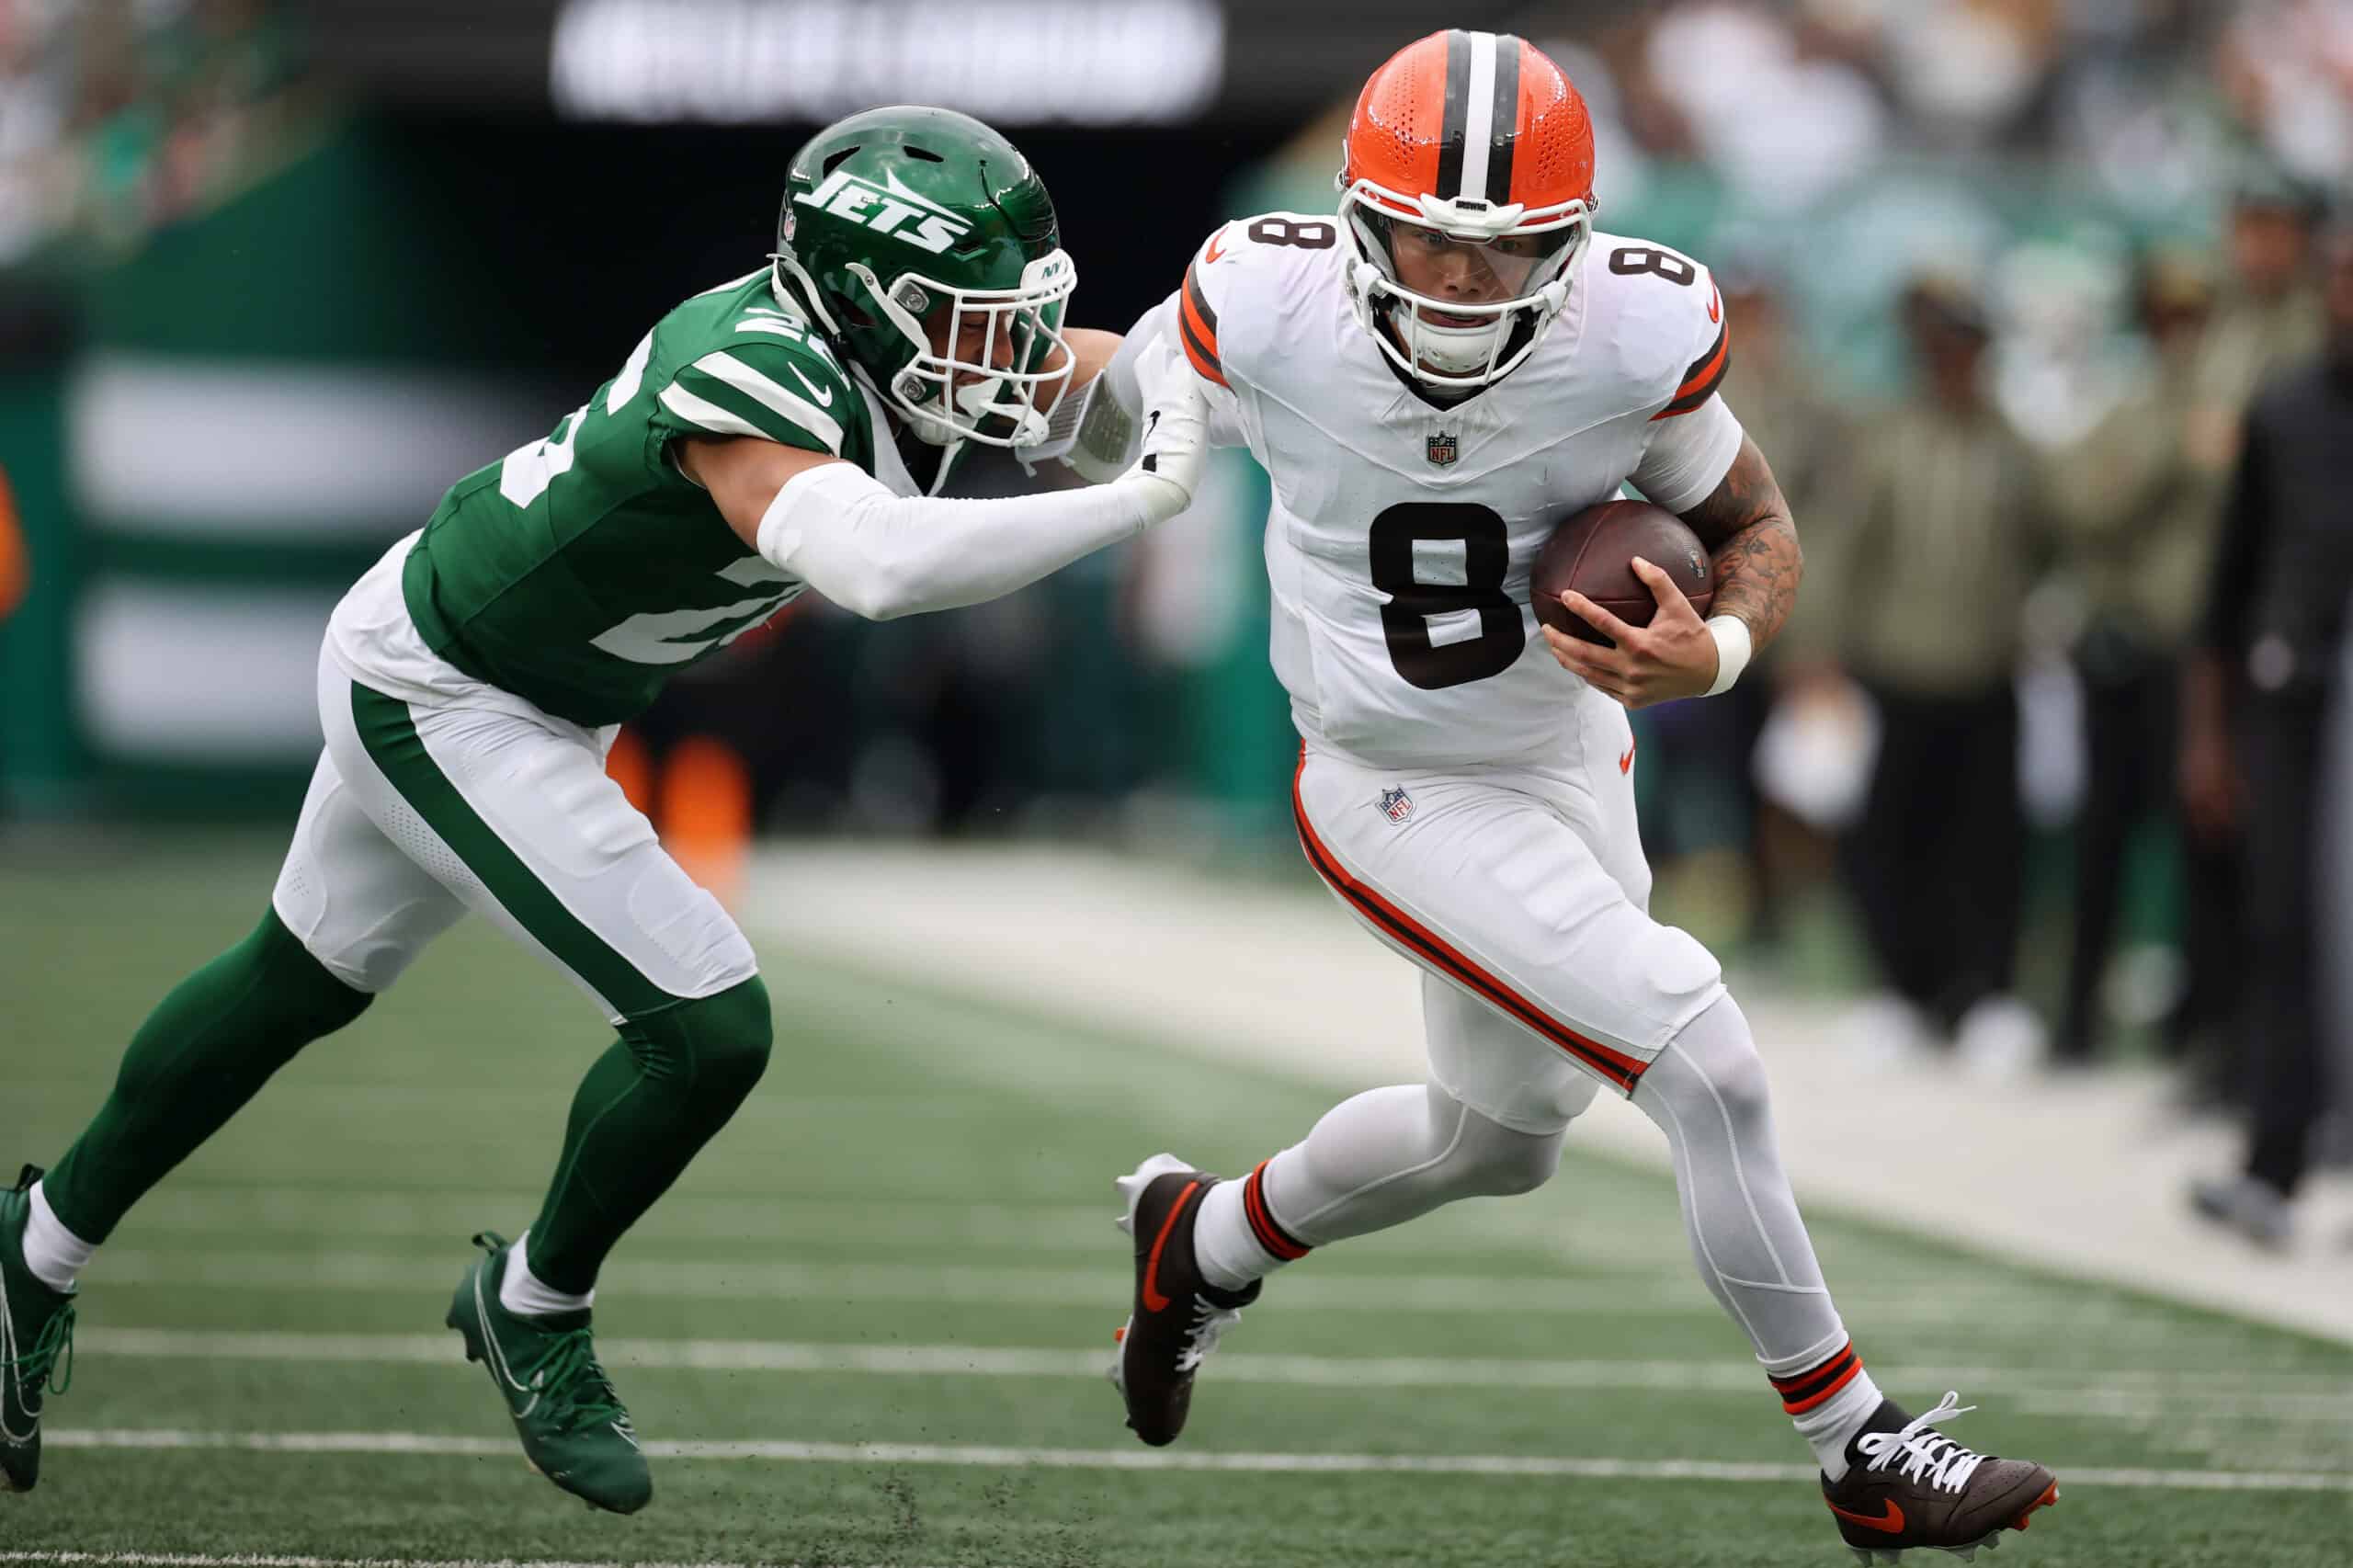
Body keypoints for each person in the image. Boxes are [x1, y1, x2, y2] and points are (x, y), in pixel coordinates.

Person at [0, 105, 1206, 1511]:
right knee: (706, 1020)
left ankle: (31, 1255)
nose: (999, 351)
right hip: (447, 687)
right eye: (962, 317)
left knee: (293, 983)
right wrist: (1138, 501)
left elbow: (1106, 372)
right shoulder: (751, 369)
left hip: (531, 682)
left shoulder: (907, 349)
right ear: (863, 299)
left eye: (1006, 319)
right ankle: (534, 1301)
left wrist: (1233, 362)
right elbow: (876, 567)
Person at [1095, 31, 2056, 1562]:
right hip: (1390, 779)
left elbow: (1753, 518)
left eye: (1510, 249)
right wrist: (993, 397)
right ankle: (1860, 1447)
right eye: (1432, 240)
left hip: (1565, 749)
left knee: (1503, 1135)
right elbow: (1125, 386)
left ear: (1574, 239)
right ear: (1358, 220)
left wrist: (1721, 645)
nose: (1466, 281)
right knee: (1706, 1054)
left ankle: (1199, 1243)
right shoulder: (1264, 305)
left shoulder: (1634, 328)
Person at [1815, 275, 2051, 1074]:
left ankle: (1984, 996)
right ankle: (1901, 994)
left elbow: (2048, 546)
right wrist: (1821, 657)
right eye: (1940, 350)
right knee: (1890, 841)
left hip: (1987, 676)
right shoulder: (1886, 442)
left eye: (1967, 350)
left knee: (1989, 845)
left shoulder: (2012, 449)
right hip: (1896, 675)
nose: (1953, 365)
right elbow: (1846, 551)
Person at [2184, 230, 2353, 1250]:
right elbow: (2226, 587)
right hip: (2290, 699)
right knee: (2280, 921)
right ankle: (2273, 1160)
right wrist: (2208, 736)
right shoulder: (2286, 405)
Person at [2046, 254, 2235, 1065]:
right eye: (2168, 323)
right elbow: (2083, 503)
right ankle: (2077, 1016)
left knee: (2202, 843)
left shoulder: (2236, 410)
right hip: (2128, 648)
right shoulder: (2135, 411)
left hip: (2197, 657)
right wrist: (2169, 447)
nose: (2180, 339)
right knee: (2104, 838)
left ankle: (2196, 1025)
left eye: (2192, 323)